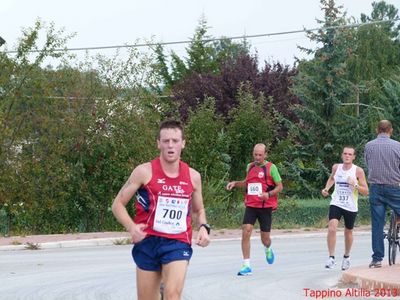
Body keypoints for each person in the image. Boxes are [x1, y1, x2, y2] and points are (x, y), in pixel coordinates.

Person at [112, 120, 211, 300]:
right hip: (148, 241)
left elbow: (198, 210)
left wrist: (204, 227)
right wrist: (131, 227)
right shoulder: (143, 172)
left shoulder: (193, 176)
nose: (170, 146)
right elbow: (117, 204)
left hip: (177, 241)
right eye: (166, 141)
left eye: (175, 140)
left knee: (172, 294)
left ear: (183, 143)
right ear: (158, 143)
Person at [226, 143, 283, 276]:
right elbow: (248, 182)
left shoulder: (271, 168)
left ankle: (268, 248)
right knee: (246, 230)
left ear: (265, 155)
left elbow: (280, 186)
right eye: (255, 154)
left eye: (260, 155)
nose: (257, 157)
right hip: (251, 205)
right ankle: (246, 265)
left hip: (265, 207)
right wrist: (235, 183)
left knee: (265, 239)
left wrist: (268, 195)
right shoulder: (250, 166)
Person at [321, 146, 369, 270]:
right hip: (336, 202)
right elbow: (332, 178)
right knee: (332, 228)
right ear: (342, 155)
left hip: (350, 205)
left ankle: (346, 257)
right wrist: (327, 189)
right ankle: (331, 258)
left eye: (350, 154)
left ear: (354, 157)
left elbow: (366, 191)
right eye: (345, 154)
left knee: (348, 231)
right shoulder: (336, 167)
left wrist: (355, 185)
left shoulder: (358, 171)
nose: (347, 156)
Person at [364, 119, 400, 268]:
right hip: (394, 187)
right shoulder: (398, 146)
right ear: (390, 130)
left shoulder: (369, 146)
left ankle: (377, 259)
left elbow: (367, 163)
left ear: (377, 130)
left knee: (377, 224)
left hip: (376, 188)